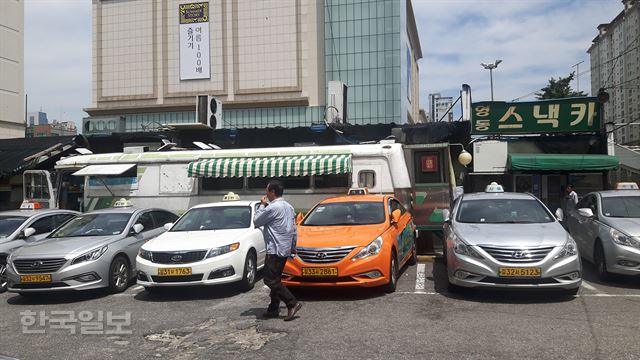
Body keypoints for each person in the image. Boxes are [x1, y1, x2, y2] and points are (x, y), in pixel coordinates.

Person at [253, 180, 302, 321]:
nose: (266, 194)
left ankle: (292, 302)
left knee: (269, 279)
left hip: (275, 248)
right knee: (276, 278)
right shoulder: (289, 207)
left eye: (267, 191)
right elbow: (294, 229)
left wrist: (262, 205)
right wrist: (293, 247)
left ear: (273, 192)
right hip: (285, 248)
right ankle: (273, 308)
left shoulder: (272, 208)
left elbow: (256, 221)